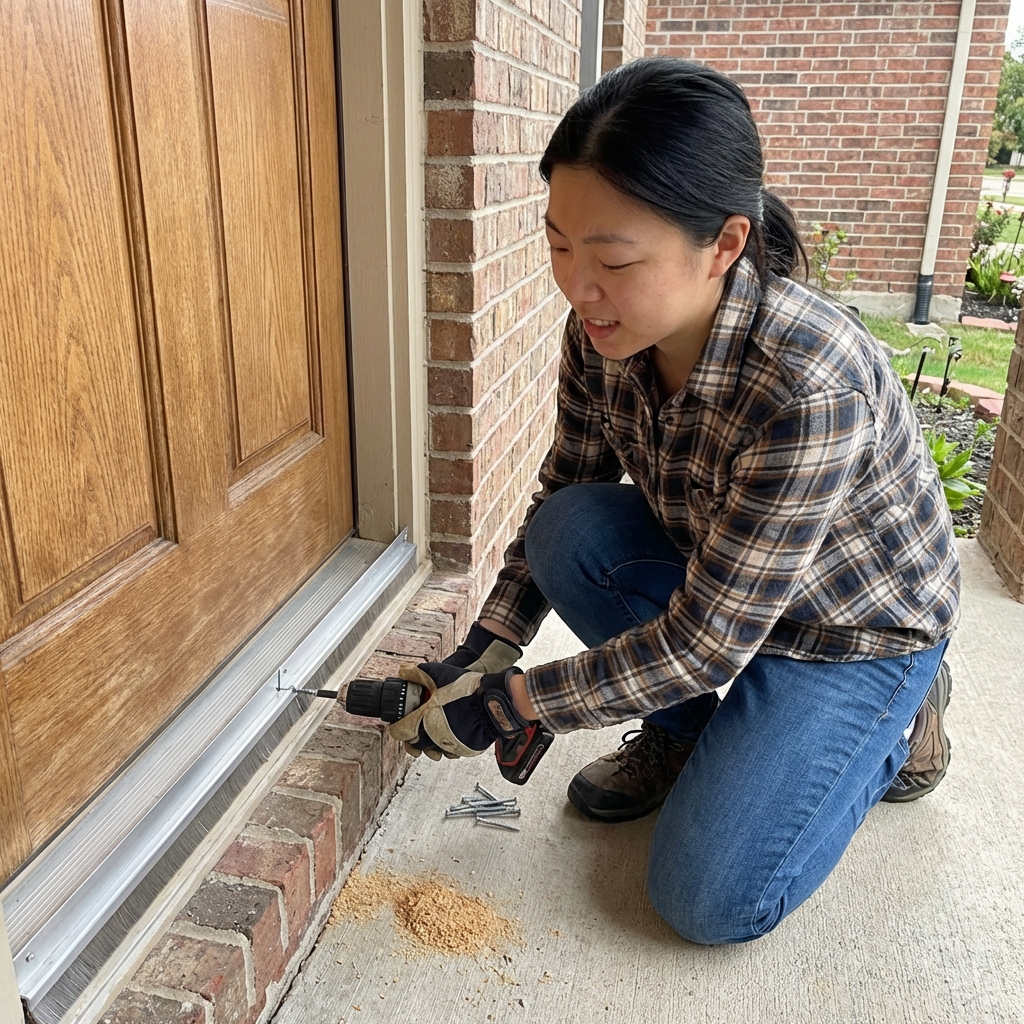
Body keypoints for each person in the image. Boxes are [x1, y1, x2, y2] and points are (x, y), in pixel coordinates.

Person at [389, 57, 960, 945]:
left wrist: (510, 705)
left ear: (725, 245)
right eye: (558, 245)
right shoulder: (606, 329)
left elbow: (700, 645)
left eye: (614, 258)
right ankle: (691, 732)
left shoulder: (809, 383)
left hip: (852, 632)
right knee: (568, 527)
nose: (578, 287)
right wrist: (483, 647)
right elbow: (568, 488)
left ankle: (900, 722)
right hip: (723, 586)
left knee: (707, 901)